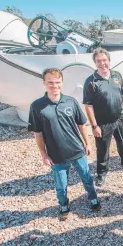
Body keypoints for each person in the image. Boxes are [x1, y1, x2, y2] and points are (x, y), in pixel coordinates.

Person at [28, 68, 100, 220]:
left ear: (62, 83)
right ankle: (63, 204)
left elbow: (81, 124)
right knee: (61, 185)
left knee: (87, 178)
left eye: (57, 82)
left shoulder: (71, 101)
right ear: (44, 83)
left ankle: (93, 198)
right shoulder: (37, 106)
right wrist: (44, 154)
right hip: (56, 155)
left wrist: (87, 143)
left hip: (77, 150)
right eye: (50, 83)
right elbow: (38, 133)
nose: (54, 85)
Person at [83, 48, 123, 186]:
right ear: (95, 63)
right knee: (103, 148)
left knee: (122, 140)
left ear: (109, 61)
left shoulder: (117, 75)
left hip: (119, 117)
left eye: (104, 60)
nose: (102, 63)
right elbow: (88, 106)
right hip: (103, 123)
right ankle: (101, 173)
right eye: (99, 61)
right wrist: (94, 126)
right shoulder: (91, 81)